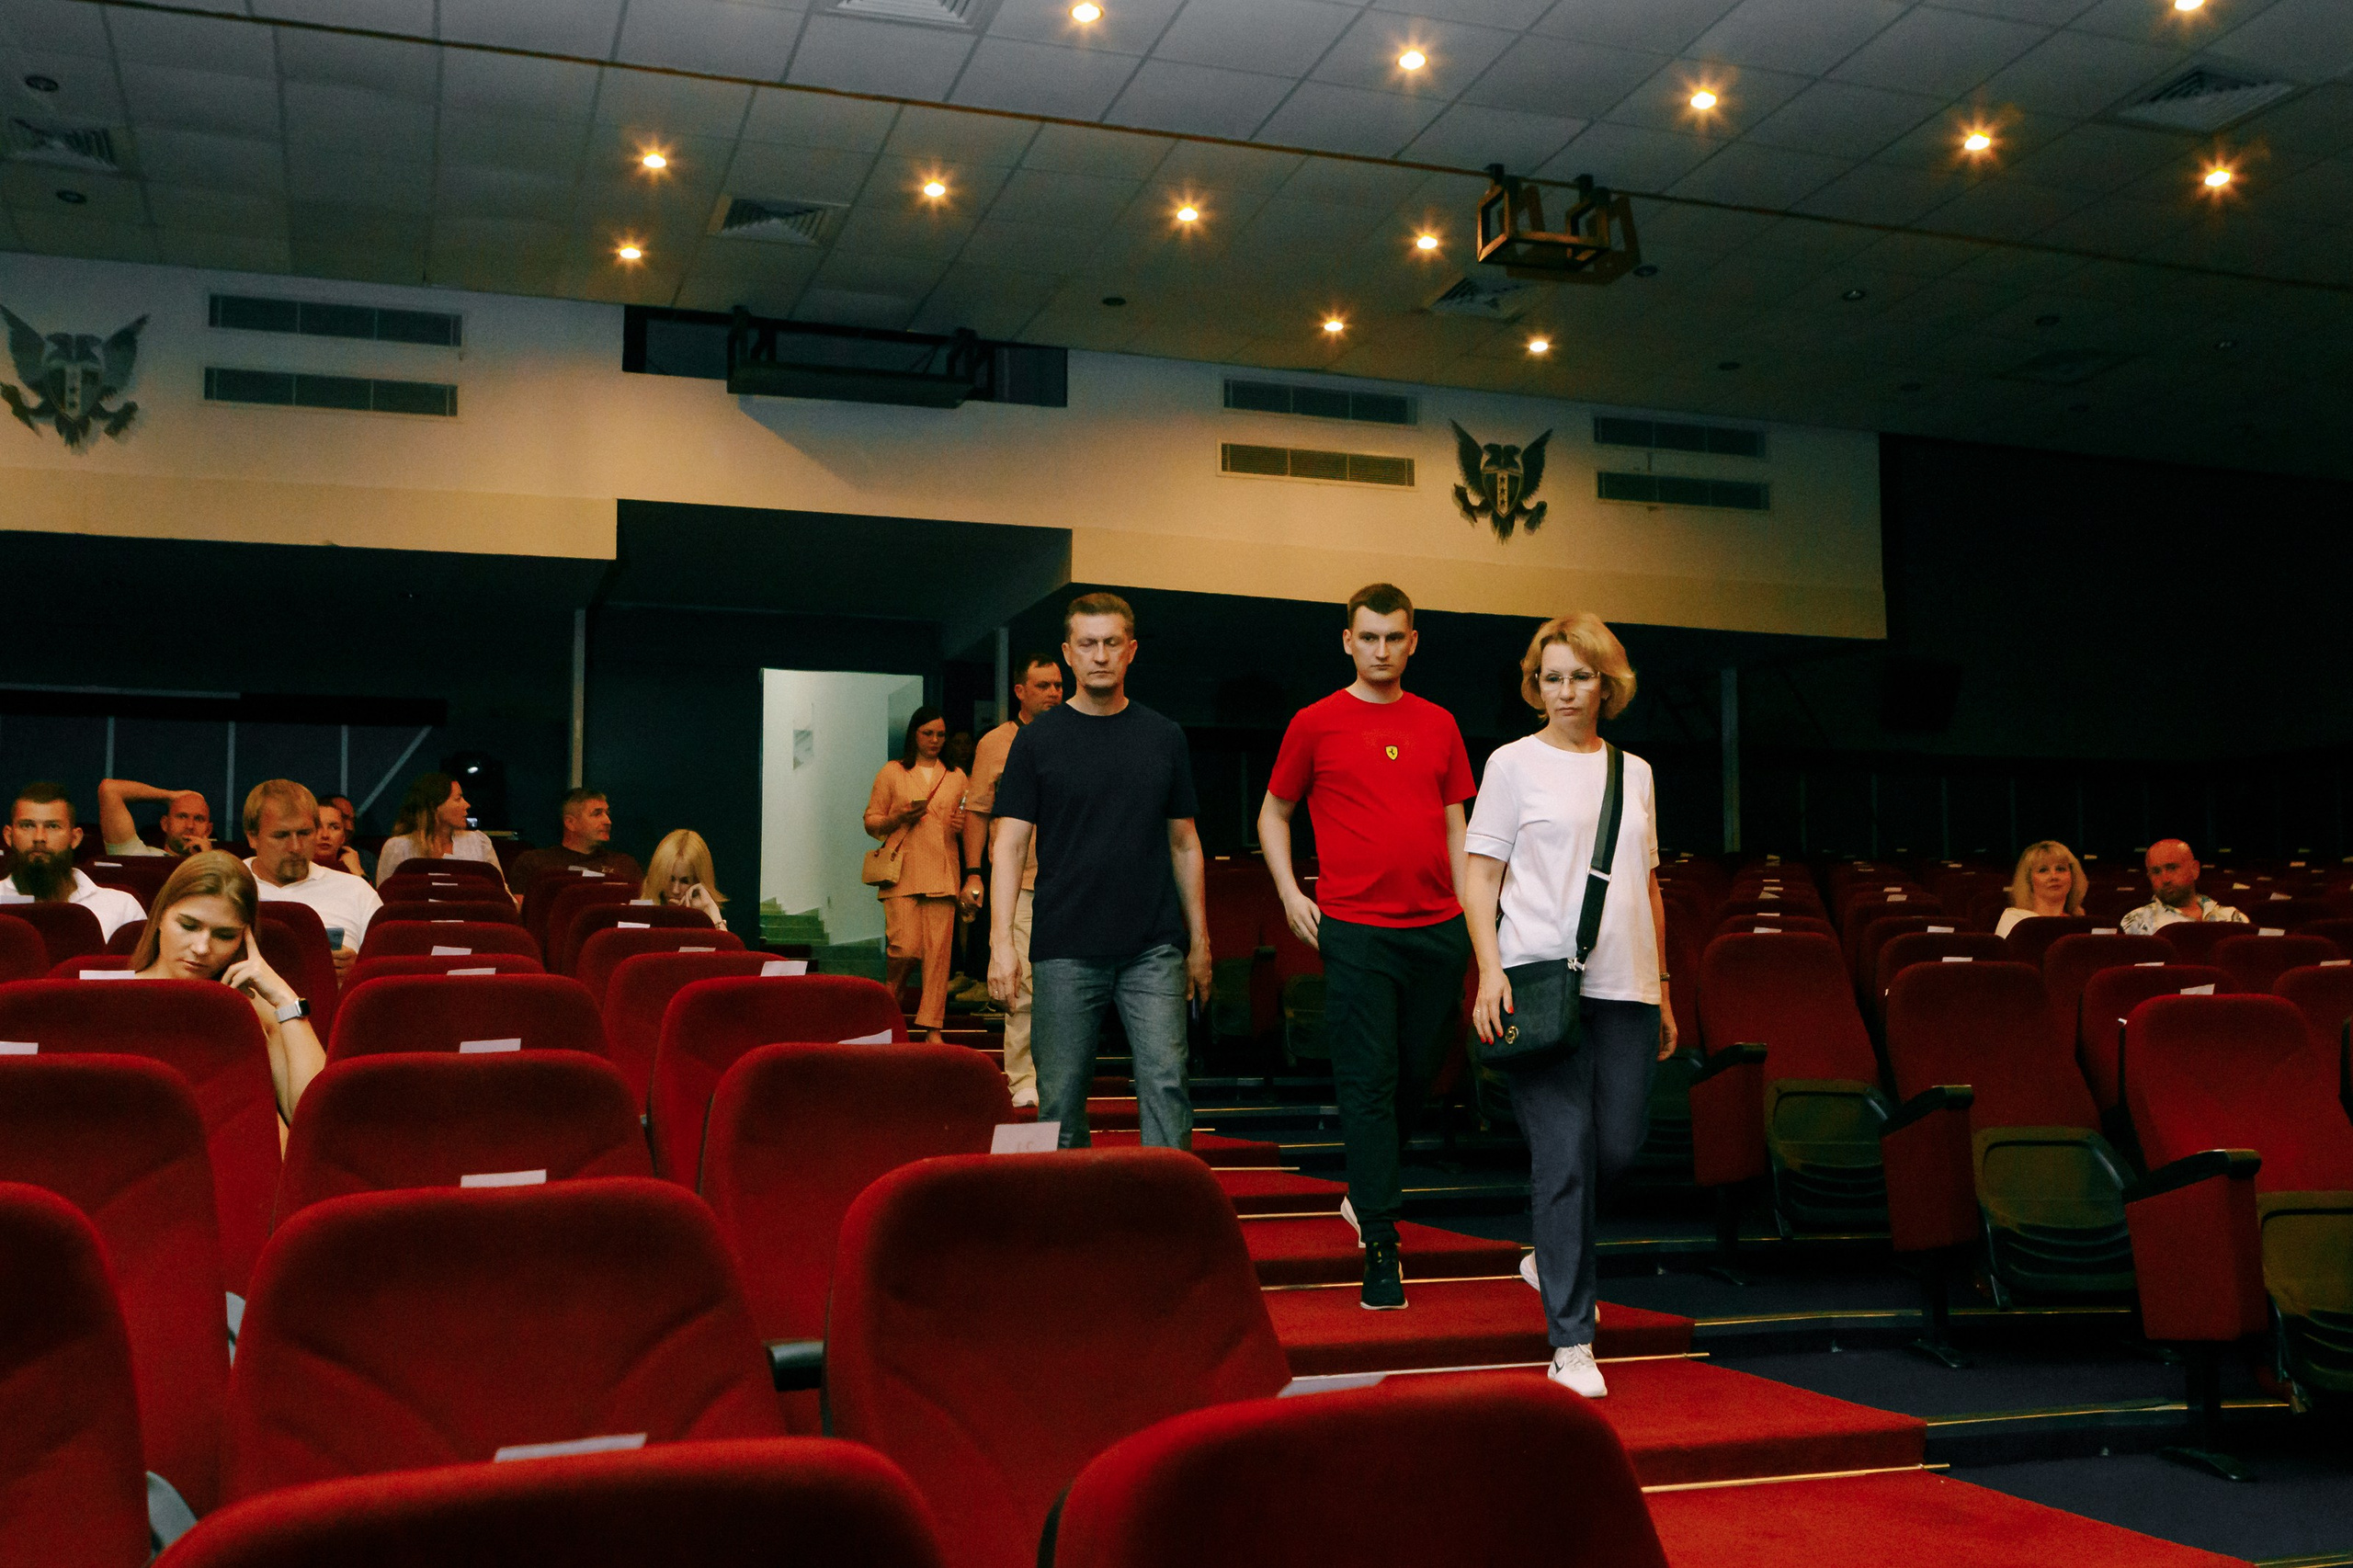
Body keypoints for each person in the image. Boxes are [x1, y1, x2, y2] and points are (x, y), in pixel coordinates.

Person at [1462, 614, 1675, 1400]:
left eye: (1580, 677)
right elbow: (1480, 878)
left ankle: (1547, 1257)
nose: (1565, 691)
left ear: (1606, 684)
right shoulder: (1512, 764)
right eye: (1551, 677)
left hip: (1626, 986)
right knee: (1563, 1154)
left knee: (1617, 1148)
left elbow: (1647, 883)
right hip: (1538, 984)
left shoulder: (1635, 772)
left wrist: (1664, 986)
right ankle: (1572, 1339)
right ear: (1535, 686)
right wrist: (1490, 971)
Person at [1258, 584, 1475, 1311]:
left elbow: (1457, 826)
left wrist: (1471, 917)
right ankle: (1382, 1241)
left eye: (1394, 637)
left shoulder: (1440, 723)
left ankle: (1366, 1190)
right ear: (1348, 641)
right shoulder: (1315, 722)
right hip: (1354, 929)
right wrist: (1290, 893)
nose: (1382, 650)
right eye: (1369, 637)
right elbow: (1274, 813)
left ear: (1413, 642)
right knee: (1369, 1081)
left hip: (1437, 928)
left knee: (1418, 1075)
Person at [988, 593, 1211, 1150]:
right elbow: (1008, 845)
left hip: (1153, 946)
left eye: (1112, 643)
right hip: (1064, 945)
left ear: (1131, 650)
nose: (1101, 655)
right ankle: (1069, 1205)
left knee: (1167, 1084)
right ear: (1069, 654)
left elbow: (1185, 843)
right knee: (1060, 1098)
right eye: (1088, 644)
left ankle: (1168, 1200)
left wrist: (1200, 942)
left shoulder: (1164, 736)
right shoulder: (1037, 740)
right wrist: (1000, 944)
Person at [129, 850, 324, 1123]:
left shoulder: (254, 1006)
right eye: (188, 926)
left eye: (224, 935)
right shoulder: (114, 996)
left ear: (244, 937)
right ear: (160, 916)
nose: (201, 948)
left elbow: (316, 1119)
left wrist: (285, 998)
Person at [961, 653, 1066, 1108]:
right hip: (1019, 881)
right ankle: (1022, 1077)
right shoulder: (996, 742)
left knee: (1065, 984)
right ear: (1020, 691)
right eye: (1043, 686)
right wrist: (973, 873)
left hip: (1068, 881)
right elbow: (977, 811)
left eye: (1058, 685)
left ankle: (1059, 1075)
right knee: (1021, 982)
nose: (1053, 693)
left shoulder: (1074, 733)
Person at [865, 707, 968, 1044]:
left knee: (938, 957)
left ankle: (932, 1029)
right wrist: (897, 817)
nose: (935, 740)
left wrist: (961, 825)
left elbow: (969, 822)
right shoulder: (893, 772)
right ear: (914, 735)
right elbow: (871, 822)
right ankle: (891, 994)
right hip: (902, 872)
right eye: (928, 733)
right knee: (904, 948)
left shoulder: (956, 776)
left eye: (941, 735)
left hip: (943, 871)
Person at [243, 779, 381, 980]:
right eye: (281, 836)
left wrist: (360, 969)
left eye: (305, 833)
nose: (296, 847)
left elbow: (387, 975)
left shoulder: (357, 891)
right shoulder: (223, 884)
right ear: (252, 837)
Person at [1, 782, 145, 937]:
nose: (39, 837)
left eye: (53, 826)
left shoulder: (122, 906)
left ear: (75, 838)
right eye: (27, 826)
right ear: (9, 836)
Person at [506, 788, 643, 894]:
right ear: (570, 823)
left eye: (607, 814)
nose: (608, 821)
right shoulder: (535, 862)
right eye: (597, 814)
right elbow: (525, 914)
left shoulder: (624, 864)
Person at [374, 773, 499, 886]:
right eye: (458, 799)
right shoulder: (398, 848)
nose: (467, 805)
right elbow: (385, 897)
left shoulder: (478, 842)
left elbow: (500, 892)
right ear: (434, 806)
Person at [2120, 838, 2251, 936]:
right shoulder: (2136, 921)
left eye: (2172, 868)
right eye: (2156, 872)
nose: (2165, 879)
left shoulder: (2233, 917)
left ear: (2195, 870)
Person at [97, 778, 212, 858]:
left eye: (198, 819)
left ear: (208, 830)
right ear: (165, 824)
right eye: (182, 816)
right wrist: (171, 796)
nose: (190, 826)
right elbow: (109, 788)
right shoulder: (138, 855)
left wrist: (209, 860)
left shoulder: (219, 866)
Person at [1995, 840, 2087, 937]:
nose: (2054, 876)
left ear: (2073, 876)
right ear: (2028, 880)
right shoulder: (2015, 920)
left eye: (2060, 869)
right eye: (2043, 870)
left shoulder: (2080, 921)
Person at [643, 828, 726, 926]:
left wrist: (710, 908)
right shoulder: (643, 911)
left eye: (685, 881)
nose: (675, 890)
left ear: (698, 882)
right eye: (670, 879)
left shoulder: (705, 916)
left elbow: (725, 938)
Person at [311, 794, 369, 881]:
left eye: (334, 827)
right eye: (317, 826)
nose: (325, 835)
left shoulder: (353, 869)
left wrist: (357, 871)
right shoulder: (295, 872)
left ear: (343, 837)